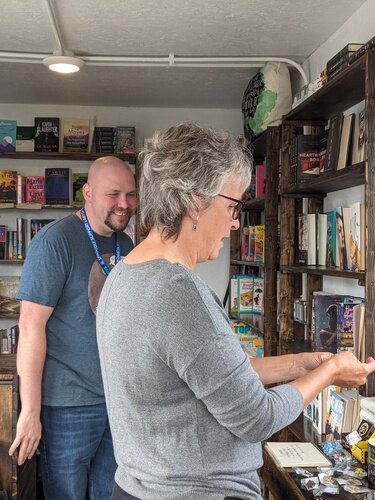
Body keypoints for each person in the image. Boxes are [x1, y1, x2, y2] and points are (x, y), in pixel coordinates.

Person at [96, 123, 375, 500]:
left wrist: (303, 364)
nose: (235, 221)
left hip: (138, 487)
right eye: (232, 206)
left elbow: (212, 377)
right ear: (196, 201)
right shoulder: (178, 294)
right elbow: (256, 417)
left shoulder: (124, 274)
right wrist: (329, 373)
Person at [9, 156, 137, 500]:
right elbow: (30, 327)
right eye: (114, 194)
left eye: (131, 194)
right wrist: (30, 413)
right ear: (88, 193)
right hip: (67, 406)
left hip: (117, 401)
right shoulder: (55, 241)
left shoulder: (126, 245)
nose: (124, 204)